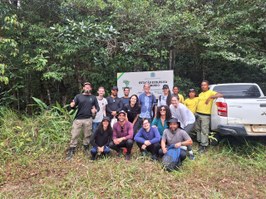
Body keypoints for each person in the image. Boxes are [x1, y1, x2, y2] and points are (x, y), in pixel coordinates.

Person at [66, 82, 100, 160]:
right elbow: (73, 106)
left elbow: (98, 108)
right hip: (78, 119)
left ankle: (86, 149)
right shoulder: (78, 96)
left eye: (89, 86)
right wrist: (72, 105)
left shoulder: (93, 97)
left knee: (87, 135)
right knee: (74, 135)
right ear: (83, 88)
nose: (87, 87)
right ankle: (71, 150)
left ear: (91, 88)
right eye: (86, 86)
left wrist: (95, 110)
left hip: (88, 119)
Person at [195, 80, 223, 153]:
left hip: (205, 115)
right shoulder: (200, 94)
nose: (203, 86)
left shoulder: (210, 92)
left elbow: (220, 95)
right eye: (202, 85)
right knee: (198, 129)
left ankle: (204, 145)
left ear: (208, 86)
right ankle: (199, 142)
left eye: (204, 85)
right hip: (198, 114)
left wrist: (210, 97)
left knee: (204, 130)